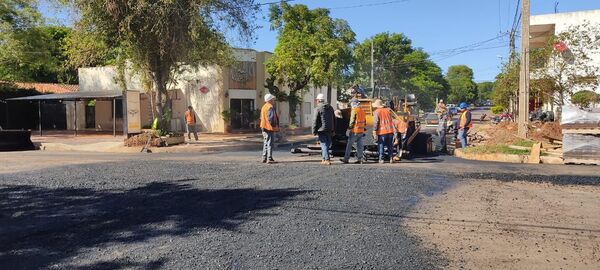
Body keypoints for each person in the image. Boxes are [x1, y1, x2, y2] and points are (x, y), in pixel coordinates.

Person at [312, 93, 335, 165]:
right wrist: (333, 129)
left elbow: (315, 120)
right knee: (327, 144)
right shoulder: (330, 107)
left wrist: (314, 131)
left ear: (318, 100)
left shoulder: (318, 108)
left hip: (321, 129)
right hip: (329, 128)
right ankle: (323, 159)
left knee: (323, 144)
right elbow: (334, 119)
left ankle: (327, 159)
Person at [341, 99, 366, 164]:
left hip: (354, 131)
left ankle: (346, 159)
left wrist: (349, 129)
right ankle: (360, 159)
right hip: (361, 131)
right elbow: (364, 121)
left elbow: (352, 121)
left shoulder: (354, 110)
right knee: (360, 146)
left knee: (349, 145)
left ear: (353, 104)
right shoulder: (362, 110)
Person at [372, 99, 395, 164]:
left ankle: (381, 159)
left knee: (381, 145)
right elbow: (391, 120)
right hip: (390, 131)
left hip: (382, 132)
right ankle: (391, 158)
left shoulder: (377, 111)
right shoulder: (388, 111)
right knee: (390, 145)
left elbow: (376, 122)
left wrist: (374, 130)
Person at [260, 94, 279, 164]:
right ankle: (269, 158)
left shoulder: (264, 107)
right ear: (270, 100)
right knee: (270, 143)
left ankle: (264, 158)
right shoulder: (270, 107)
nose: (273, 100)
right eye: (272, 99)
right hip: (269, 127)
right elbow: (271, 118)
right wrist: (274, 126)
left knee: (265, 142)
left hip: (263, 126)